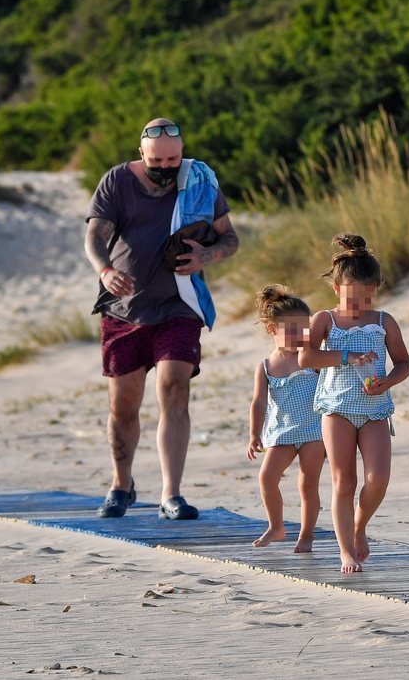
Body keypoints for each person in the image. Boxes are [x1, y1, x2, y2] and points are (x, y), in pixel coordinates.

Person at [85, 117, 238, 520]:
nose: (166, 166)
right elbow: (95, 236)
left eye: (173, 159)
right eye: (157, 159)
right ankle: (122, 484)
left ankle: (171, 493)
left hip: (179, 305)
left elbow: (230, 237)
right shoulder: (117, 181)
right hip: (124, 311)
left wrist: (207, 256)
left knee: (174, 386)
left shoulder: (199, 182)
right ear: (141, 154)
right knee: (123, 406)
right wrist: (105, 271)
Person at [300, 235, 409, 573]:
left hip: (375, 410)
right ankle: (345, 550)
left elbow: (404, 363)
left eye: (367, 296)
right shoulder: (324, 320)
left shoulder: (383, 322)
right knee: (343, 481)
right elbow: (306, 357)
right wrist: (347, 356)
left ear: (375, 290)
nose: (359, 304)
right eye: (352, 297)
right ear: (336, 288)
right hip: (336, 410)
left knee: (378, 479)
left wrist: (388, 382)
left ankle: (359, 526)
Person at [246, 285, 325, 553]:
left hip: (314, 430)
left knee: (307, 483)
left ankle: (306, 535)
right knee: (267, 476)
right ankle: (276, 525)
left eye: (304, 329)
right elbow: (258, 402)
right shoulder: (266, 366)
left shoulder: (312, 358)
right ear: (272, 331)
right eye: (291, 330)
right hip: (282, 432)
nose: (300, 335)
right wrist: (254, 434)